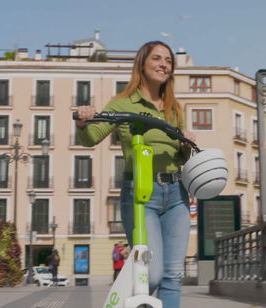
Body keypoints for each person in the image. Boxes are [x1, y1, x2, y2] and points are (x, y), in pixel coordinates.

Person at [76, 41, 196, 308]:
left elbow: (180, 157)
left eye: (168, 60)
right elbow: (92, 137)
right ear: (142, 63)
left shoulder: (174, 108)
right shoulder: (122, 103)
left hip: (177, 194)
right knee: (151, 274)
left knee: (172, 276)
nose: (164, 64)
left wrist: (186, 146)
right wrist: (84, 120)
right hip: (142, 194)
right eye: (157, 58)